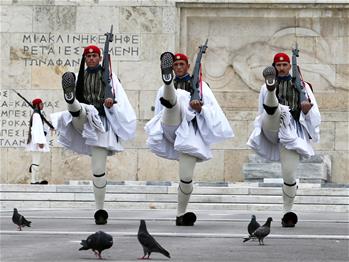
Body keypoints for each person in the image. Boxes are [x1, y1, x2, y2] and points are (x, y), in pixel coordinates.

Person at [145, 52, 234, 226]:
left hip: (190, 133)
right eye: (175, 65)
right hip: (171, 126)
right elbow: (158, 114)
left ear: (187, 66)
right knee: (172, 103)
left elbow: (214, 111)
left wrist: (200, 109)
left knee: (186, 177)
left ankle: (181, 214)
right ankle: (169, 84)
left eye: (181, 64)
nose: (178, 67)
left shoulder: (201, 87)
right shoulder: (160, 91)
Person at [54, 45, 137, 225]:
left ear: (100, 58)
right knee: (80, 110)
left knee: (98, 170)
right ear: (85, 58)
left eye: (94, 56)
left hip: (100, 123)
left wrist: (110, 103)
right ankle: (71, 101)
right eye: (88, 56)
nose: (91, 58)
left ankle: (100, 210)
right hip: (83, 119)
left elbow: (120, 102)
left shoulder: (109, 77)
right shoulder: (80, 78)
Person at [247, 52, 321, 227]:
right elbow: (260, 111)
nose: (281, 68)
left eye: (284, 65)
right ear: (274, 67)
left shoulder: (303, 86)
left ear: (290, 67)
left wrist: (306, 109)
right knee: (274, 110)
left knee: (289, 175)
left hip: (291, 131)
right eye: (278, 65)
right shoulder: (264, 88)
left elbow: (315, 115)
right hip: (272, 124)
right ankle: (274, 96)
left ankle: (287, 213)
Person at [26, 98, 50, 184]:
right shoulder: (36, 115)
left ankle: (36, 179)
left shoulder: (38, 114)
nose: (42, 105)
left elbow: (41, 129)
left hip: (37, 141)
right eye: (41, 104)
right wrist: (40, 142)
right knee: (36, 161)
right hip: (37, 142)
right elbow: (37, 130)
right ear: (37, 105)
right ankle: (33, 180)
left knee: (37, 161)